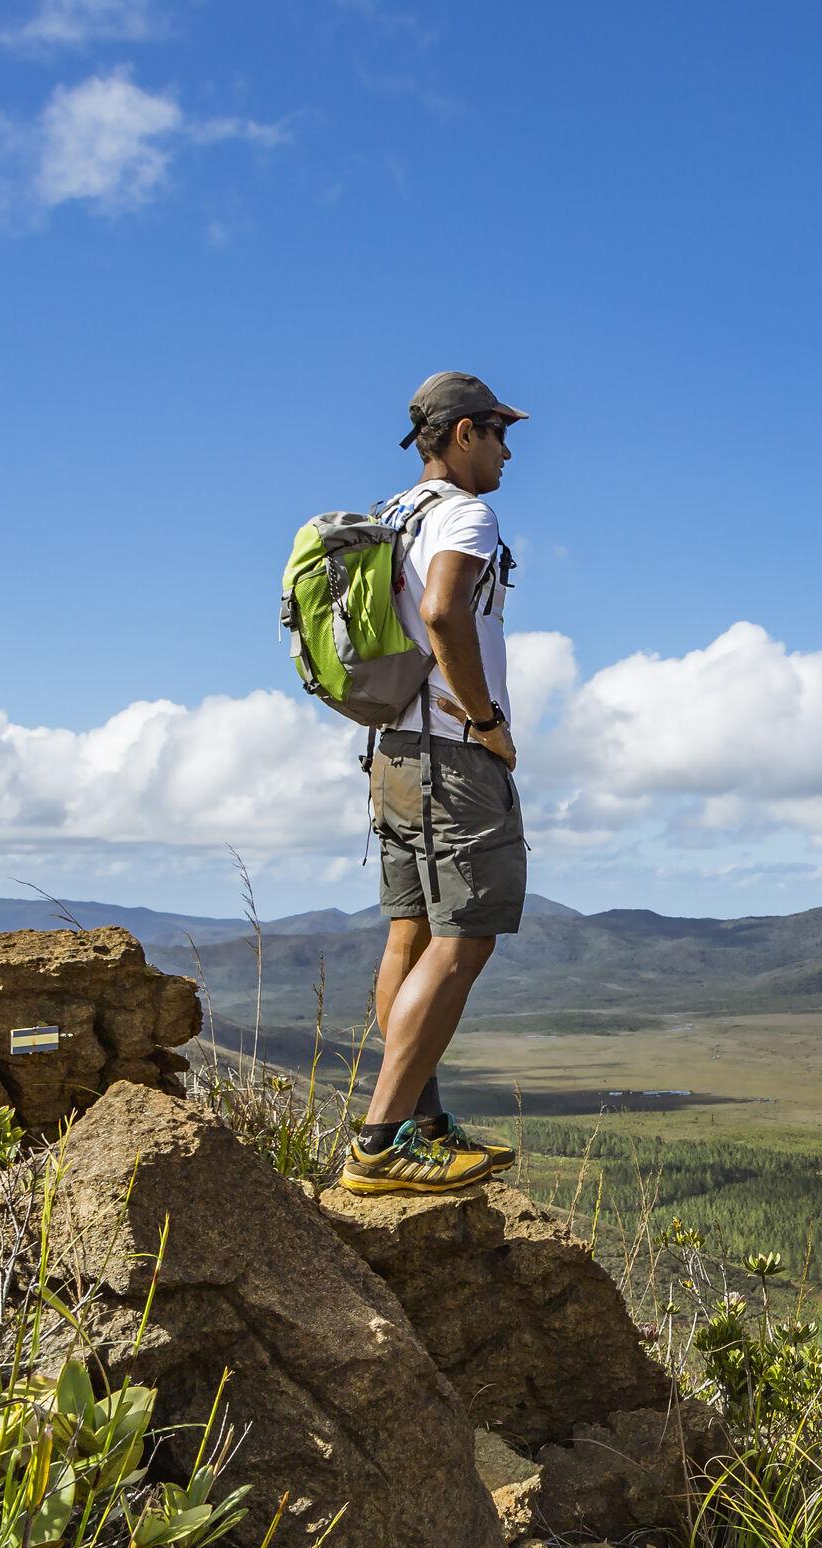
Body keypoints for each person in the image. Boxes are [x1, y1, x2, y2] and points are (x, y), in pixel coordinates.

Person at [338, 371, 529, 1196]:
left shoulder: (388, 517)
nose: (507, 449)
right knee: (465, 939)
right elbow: (448, 613)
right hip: (453, 756)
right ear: (462, 434)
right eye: (497, 430)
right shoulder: (464, 514)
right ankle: (382, 1143)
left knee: (407, 935)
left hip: (390, 755)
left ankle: (423, 1124)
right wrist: (486, 723)